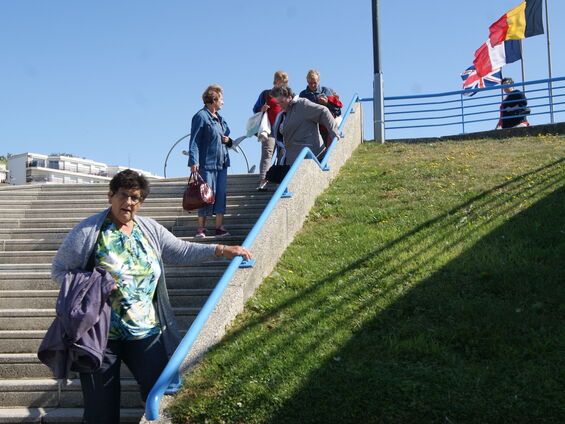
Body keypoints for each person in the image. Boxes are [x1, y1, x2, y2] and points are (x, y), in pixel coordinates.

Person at [51, 169, 252, 424]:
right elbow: (59, 271)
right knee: (100, 413)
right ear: (110, 195)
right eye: (124, 195)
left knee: (162, 394)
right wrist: (93, 285)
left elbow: (180, 251)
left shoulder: (148, 229)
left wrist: (221, 249)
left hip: (145, 333)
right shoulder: (89, 231)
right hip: (99, 336)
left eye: (136, 198)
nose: (130, 203)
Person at [188, 85, 233, 238]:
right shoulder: (201, 116)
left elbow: (227, 136)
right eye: (221, 99)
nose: (223, 102)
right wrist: (193, 161)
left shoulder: (220, 119)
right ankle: (201, 228)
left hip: (222, 163)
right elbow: (194, 140)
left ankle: (219, 227)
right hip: (206, 164)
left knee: (221, 194)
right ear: (213, 100)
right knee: (205, 195)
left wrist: (228, 141)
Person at [271, 85, 340, 165]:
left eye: (282, 102)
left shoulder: (302, 104)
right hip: (292, 158)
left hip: (311, 156)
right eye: (277, 103)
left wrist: (334, 134)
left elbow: (323, 111)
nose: (280, 105)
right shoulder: (283, 114)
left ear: (289, 97)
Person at [252, 70, 288, 191]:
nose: (282, 85)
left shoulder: (288, 95)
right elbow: (255, 108)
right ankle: (263, 180)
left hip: (284, 130)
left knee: (283, 154)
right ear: (275, 82)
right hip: (270, 129)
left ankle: (281, 180)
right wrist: (261, 108)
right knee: (267, 153)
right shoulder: (266, 94)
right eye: (281, 83)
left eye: (285, 83)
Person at [299, 69, 342, 147]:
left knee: (327, 149)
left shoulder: (325, 91)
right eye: (310, 83)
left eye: (314, 83)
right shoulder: (303, 94)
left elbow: (337, 111)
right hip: (310, 128)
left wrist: (327, 103)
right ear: (307, 81)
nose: (312, 85)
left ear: (318, 80)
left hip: (324, 127)